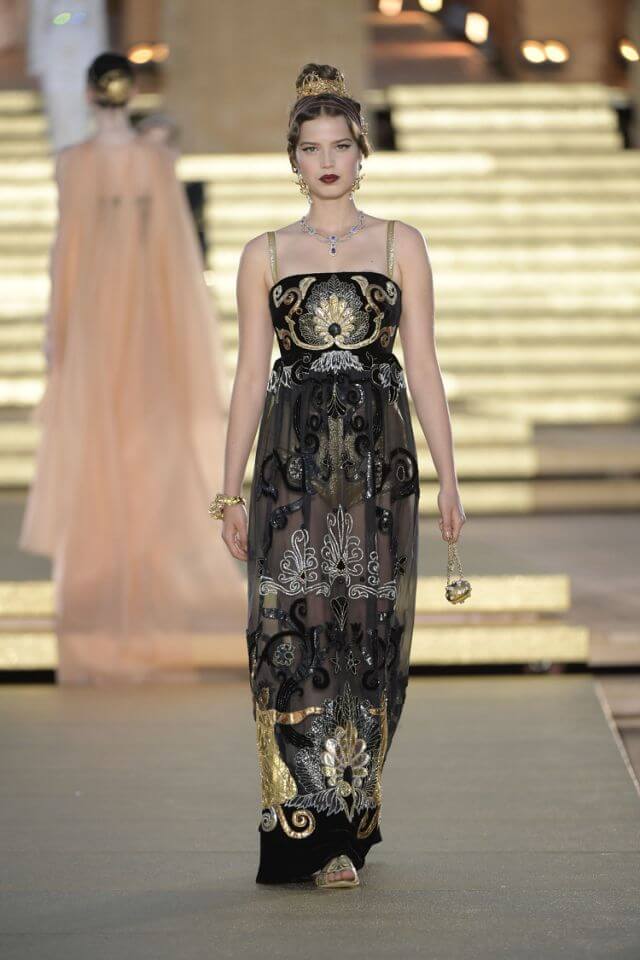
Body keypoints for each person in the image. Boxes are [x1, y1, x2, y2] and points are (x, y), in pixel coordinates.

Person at [214, 62, 466, 888]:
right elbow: (249, 376)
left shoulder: (400, 245)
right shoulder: (264, 254)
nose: (328, 161)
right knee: (292, 632)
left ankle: (352, 812)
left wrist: (451, 476)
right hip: (289, 470)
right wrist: (228, 491)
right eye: (312, 148)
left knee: (369, 633)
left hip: (377, 469)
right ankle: (308, 826)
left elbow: (422, 366)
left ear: (363, 154)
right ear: (293, 159)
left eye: (341, 146)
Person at [20, 52, 246, 684]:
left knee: (106, 453)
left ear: (90, 95)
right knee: (144, 452)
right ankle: (139, 594)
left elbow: (65, 257)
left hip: (98, 323)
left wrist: (57, 336)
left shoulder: (75, 163)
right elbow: (175, 255)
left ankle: (115, 599)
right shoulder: (153, 159)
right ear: (132, 92)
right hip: (147, 321)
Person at [27, 0, 107, 152]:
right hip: (54, 49)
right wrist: (36, 64)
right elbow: (38, 22)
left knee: (83, 106)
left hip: (85, 47)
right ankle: (61, 155)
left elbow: (98, 20)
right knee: (57, 108)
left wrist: (101, 62)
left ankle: (81, 156)